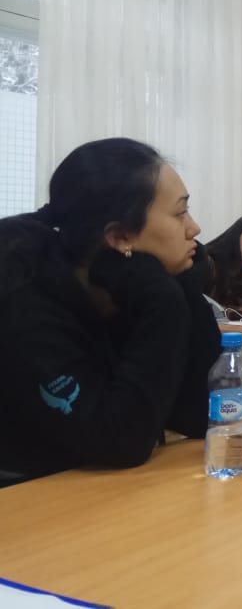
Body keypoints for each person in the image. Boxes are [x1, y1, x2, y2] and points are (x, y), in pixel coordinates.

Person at [0, 138, 222, 487]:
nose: (194, 229)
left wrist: (183, 287)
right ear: (120, 236)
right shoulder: (23, 299)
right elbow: (120, 441)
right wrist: (164, 298)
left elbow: (202, 417)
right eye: (179, 214)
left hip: (96, 492)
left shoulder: (130, 282)